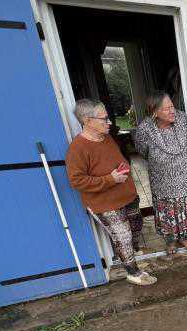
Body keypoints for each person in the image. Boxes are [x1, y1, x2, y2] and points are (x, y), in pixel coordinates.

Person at [66, 99, 157, 286]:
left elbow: (119, 160)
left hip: (127, 196)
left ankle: (129, 254)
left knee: (135, 227)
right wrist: (110, 179)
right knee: (122, 236)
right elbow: (76, 180)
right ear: (87, 120)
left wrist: (124, 171)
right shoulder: (78, 148)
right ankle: (133, 272)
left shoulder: (107, 138)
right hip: (105, 203)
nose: (109, 123)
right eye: (104, 118)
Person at [133, 91, 187, 254]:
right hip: (162, 179)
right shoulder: (145, 128)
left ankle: (185, 237)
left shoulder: (183, 119)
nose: (172, 111)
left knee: (185, 209)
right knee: (168, 211)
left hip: (186, 176)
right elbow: (142, 150)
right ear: (155, 112)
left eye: (172, 106)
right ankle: (171, 241)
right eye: (166, 109)